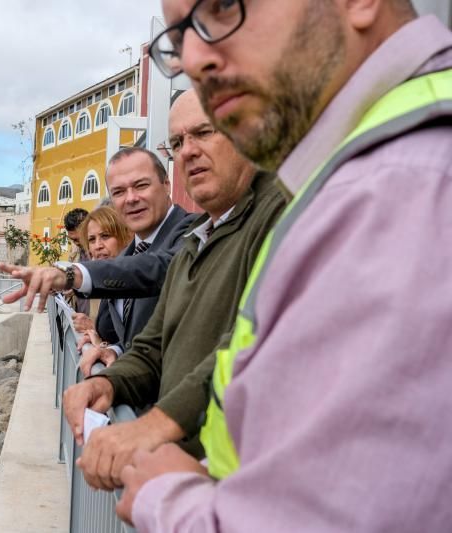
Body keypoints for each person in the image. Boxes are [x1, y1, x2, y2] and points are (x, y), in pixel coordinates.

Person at [118, 2, 452, 531]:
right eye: (179, 40)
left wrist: (164, 493)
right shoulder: (349, 180)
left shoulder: (403, 187)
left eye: (222, 7)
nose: (195, 60)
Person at [63, 89, 285, 491]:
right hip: (184, 483)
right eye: (178, 142)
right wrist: (107, 384)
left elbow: (251, 350)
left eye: (204, 132)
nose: (188, 151)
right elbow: (151, 348)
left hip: (242, 489)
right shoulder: (196, 242)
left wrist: (151, 427)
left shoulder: (281, 214)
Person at [0, 147, 196, 354]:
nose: (131, 198)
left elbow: (159, 269)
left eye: (141, 185)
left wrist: (70, 274)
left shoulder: (193, 232)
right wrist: (114, 350)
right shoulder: (130, 254)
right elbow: (139, 338)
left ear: (166, 184)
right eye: (119, 192)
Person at [73, 206, 133, 367]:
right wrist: (95, 336)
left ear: (126, 237)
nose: (98, 246)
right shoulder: (109, 284)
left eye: (105, 236)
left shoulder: (139, 283)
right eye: (92, 240)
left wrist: (102, 345)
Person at [62, 208, 90, 315]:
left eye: (78, 239)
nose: (75, 243)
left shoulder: (102, 252)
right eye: (72, 240)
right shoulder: (76, 251)